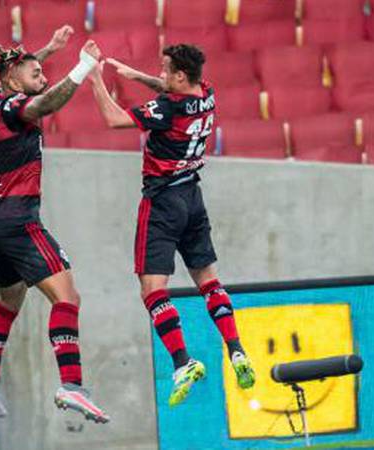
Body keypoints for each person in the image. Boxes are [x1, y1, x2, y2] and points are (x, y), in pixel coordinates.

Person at [86, 44, 256, 406]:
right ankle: (237, 350)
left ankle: (183, 361)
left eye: (164, 70)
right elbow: (173, 93)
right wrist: (136, 76)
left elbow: (115, 120)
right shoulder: (207, 94)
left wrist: (95, 79)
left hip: (163, 202)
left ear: (180, 76)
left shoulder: (167, 107)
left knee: (152, 290)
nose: (160, 75)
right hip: (194, 198)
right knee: (208, 281)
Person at [0, 25, 110, 424]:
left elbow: (24, 76)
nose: (43, 80)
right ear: (14, 79)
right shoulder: (16, 107)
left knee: (10, 299)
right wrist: (81, 67)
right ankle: (72, 385)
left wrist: (47, 50)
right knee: (67, 298)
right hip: (18, 219)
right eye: (36, 76)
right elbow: (42, 104)